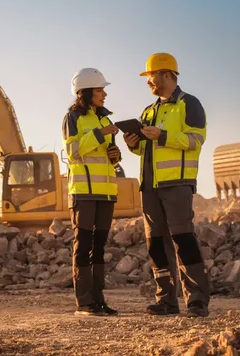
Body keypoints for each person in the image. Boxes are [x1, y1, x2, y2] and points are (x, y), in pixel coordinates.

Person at [123, 52, 211, 317]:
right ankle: (166, 300)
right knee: (156, 245)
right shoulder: (148, 111)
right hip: (149, 187)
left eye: (150, 76)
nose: (148, 81)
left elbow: (196, 140)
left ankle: (196, 300)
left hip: (177, 183)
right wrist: (133, 145)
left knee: (183, 239)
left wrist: (163, 136)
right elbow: (146, 151)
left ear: (167, 74)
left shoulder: (189, 104)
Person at [61, 67, 122, 316]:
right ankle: (84, 302)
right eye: (99, 90)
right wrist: (99, 134)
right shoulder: (73, 118)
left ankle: (99, 300)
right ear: (85, 92)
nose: (104, 94)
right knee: (83, 245)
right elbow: (73, 152)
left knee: (99, 248)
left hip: (106, 193)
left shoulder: (105, 119)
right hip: (83, 194)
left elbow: (111, 158)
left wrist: (115, 155)